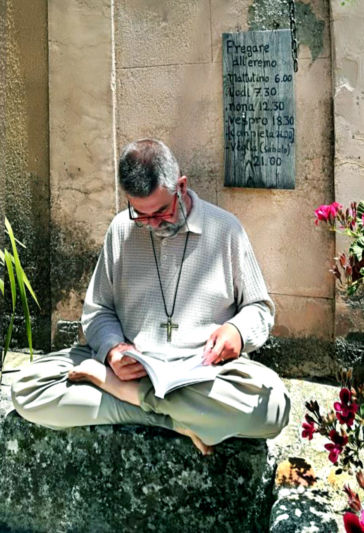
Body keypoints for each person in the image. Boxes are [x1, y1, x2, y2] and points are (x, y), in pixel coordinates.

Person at [11, 139, 290, 454]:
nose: (153, 225)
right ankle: (178, 420)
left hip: (202, 376)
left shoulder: (225, 230)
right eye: (140, 215)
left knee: (274, 408)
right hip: (132, 369)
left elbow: (260, 309)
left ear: (181, 187)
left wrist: (237, 331)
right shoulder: (120, 229)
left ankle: (126, 395)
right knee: (27, 390)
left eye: (161, 211)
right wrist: (113, 350)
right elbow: (98, 311)